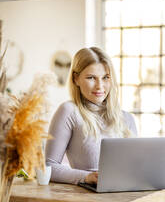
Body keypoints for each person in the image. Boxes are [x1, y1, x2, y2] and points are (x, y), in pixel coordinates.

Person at [45, 47, 137, 185]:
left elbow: (137, 168)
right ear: (76, 79)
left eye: (105, 77)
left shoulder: (127, 118)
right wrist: (87, 177)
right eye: (91, 78)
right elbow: (49, 167)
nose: (100, 86)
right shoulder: (69, 111)